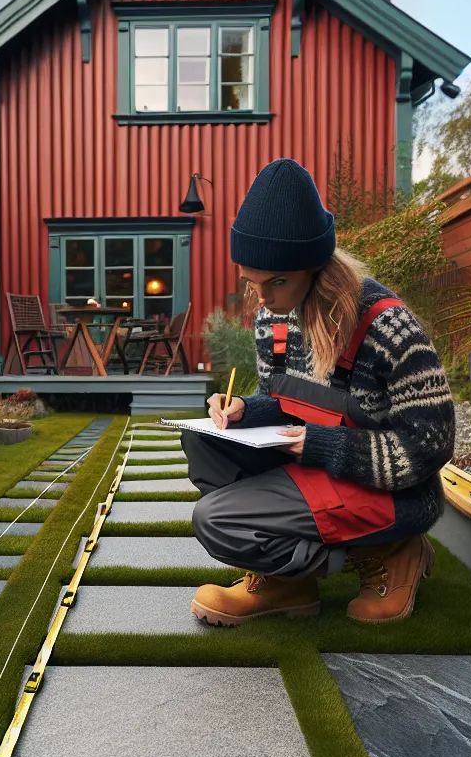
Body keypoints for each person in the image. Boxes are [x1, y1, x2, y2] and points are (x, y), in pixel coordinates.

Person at [187, 158, 454, 625]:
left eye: (277, 282)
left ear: (315, 267)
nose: (263, 298)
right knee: (205, 440)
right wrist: (243, 411)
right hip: (311, 465)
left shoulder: (386, 326)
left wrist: (321, 445)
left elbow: (429, 446)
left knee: (217, 521)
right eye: (252, 283)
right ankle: (287, 584)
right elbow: (282, 399)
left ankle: (394, 551)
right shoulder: (272, 317)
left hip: (391, 492)